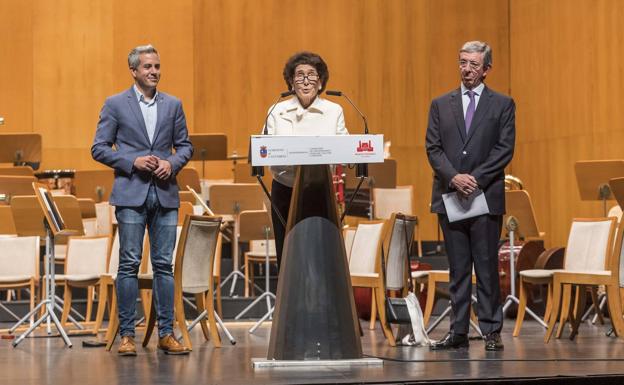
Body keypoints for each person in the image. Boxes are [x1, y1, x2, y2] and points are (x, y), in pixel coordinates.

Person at [92, 44, 193, 356]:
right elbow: (98, 147)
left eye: (157, 66)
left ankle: (166, 333)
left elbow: (185, 146)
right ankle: (126, 335)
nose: (154, 72)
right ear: (133, 71)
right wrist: (131, 161)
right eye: (148, 67)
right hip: (131, 192)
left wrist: (172, 163)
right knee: (129, 263)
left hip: (164, 193)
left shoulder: (173, 104)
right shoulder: (115, 104)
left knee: (163, 265)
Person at [425, 41, 515, 351]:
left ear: (487, 69)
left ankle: (491, 331)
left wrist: (475, 179)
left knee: (486, 266)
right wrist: (454, 177)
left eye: (474, 64)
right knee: (458, 268)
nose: (467, 69)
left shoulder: (503, 105)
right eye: (463, 62)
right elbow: (433, 149)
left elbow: (505, 149)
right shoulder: (440, 104)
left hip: (484, 196)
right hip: (450, 196)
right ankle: (458, 332)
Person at [264, 51, 348, 268]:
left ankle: (321, 301)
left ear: (320, 82)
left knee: (320, 252)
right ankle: (287, 301)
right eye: (299, 75)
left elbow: (346, 148)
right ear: (291, 82)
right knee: (287, 252)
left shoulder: (334, 110)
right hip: (285, 189)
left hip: (320, 190)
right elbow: (265, 149)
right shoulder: (276, 110)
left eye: (312, 75)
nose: (306, 80)